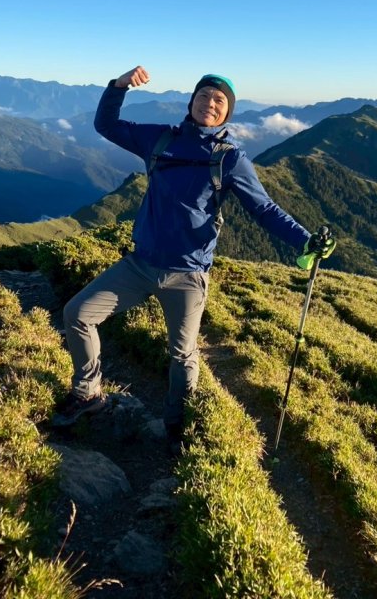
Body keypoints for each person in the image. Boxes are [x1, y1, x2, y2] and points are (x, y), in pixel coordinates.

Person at [51, 66, 335, 451]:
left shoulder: (230, 159)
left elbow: (264, 210)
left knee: (183, 354)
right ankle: (88, 394)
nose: (210, 103)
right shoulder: (160, 138)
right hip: (139, 264)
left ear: (227, 113)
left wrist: (305, 241)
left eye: (219, 101)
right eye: (204, 96)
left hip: (188, 275)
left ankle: (177, 425)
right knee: (78, 314)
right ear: (192, 101)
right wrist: (119, 86)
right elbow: (107, 124)